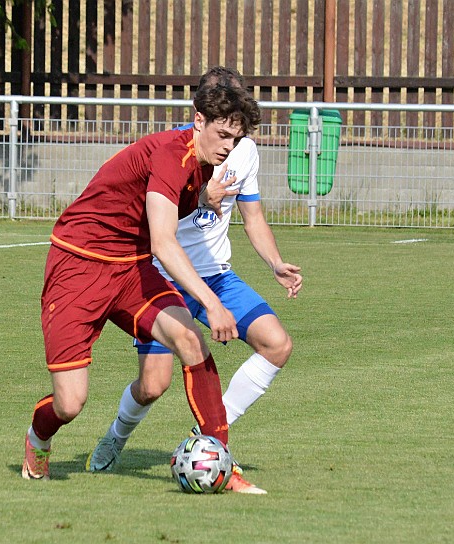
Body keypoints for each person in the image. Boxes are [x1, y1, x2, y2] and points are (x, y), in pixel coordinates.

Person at [22, 82, 262, 488]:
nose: (228, 147)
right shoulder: (173, 153)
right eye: (222, 135)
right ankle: (37, 438)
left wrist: (203, 196)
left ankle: (222, 463)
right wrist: (212, 303)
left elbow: (166, 204)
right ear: (198, 119)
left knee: (190, 341)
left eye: (235, 139)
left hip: (131, 269)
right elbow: (164, 242)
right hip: (78, 266)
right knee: (70, 403)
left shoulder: (202, 161)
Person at [86, 67, 302, 494]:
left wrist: (275, 262)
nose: (231, 134)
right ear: (202, 113)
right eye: (224, 119)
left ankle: (208, 436)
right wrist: (201, 198)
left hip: (217, 275)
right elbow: (160, 226)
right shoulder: (176, 151)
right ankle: (115, 436)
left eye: (238, 122)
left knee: (277, 344)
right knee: (153, 385)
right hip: (164, 275)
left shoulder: (245, 152)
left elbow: (252, 214)